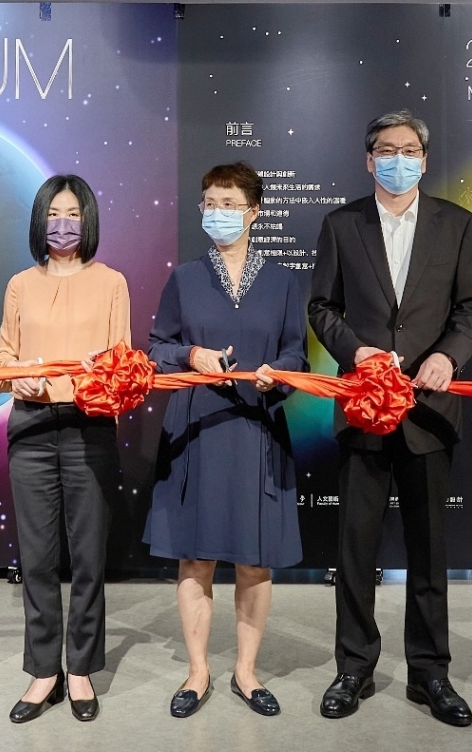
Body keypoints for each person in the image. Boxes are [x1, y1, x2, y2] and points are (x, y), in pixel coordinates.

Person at [309, 110, 472, 725]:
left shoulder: (458, 224)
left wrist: (448, 355)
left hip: (430, 411)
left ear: (424, 158)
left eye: (409, 149)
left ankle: (430, 673)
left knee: (429, 551)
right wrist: (354, 352)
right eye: (386, 150)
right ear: (369, 159)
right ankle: (353, 668)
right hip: (363, 407)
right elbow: (322, 306)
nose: (398, 159)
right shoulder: (341, 224)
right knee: (356, 550)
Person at [144, 161, 307, 718]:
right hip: (196, 428)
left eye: (229, 204)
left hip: (257, 427)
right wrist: (191, 354)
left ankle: (246, 672)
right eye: (209, 203)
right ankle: (197, 673)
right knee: (196, 559)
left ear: (253, 212)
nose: (218, 213)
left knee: (255, 561)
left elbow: (296, 353)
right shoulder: (185, 278)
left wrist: (277, 374)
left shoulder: (283, 281)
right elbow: (156, 347)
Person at [0, 175, 129, 724]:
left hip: (89, 428)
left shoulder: (112, 282)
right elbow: (0, 359)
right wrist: (15, 375)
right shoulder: (20, 284)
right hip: (29, 427)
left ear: (88, 220)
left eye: (72, 213)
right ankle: (44, 670)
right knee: (38, 558)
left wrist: (102, 375)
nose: (63, 223)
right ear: (38, 221)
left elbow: (125, 364)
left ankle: (81, 670)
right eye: (53, 213)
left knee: (89, 557)